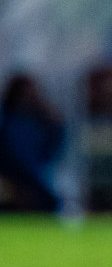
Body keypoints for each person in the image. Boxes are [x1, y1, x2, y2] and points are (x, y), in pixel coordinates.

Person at [0, 75, 65, 212]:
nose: (30, 96)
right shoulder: (8, 122)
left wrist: (55, 123)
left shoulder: (40, 121)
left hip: (37, 179)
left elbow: (52, 149)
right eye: (25, 92)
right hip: (12, 181)